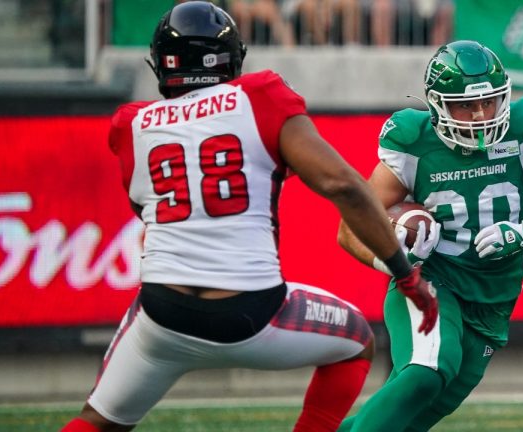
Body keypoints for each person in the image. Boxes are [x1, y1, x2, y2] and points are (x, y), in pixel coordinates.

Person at [59, 2, 437, 431]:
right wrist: (406, 275)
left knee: (98, 420)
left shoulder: (131, 125)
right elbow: (342, 185)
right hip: (249, 311)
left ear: (161, 64)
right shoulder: (259, 97)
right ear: (231, 57)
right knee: (355, 341)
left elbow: (150, 207)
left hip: (163, 311)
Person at [336, 40, 523, 431]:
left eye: (488, 102)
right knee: (426, 370)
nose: (479, 115)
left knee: (411, 418)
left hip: (494, 301)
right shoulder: (414, 140)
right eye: (465, 105)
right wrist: (396, 259)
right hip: (432, 282)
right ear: (438, 104)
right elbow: (351, 225)